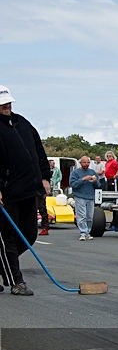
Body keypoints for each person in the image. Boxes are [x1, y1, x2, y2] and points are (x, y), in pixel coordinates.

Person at [0, 85, 49, 295]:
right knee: (7, 238)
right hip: (6, 193)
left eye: (8, 103)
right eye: (2, 104)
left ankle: (3, 265)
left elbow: (39, 151)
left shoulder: (23, 123)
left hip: (29, 190)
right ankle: (16, 282)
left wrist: (45, 177)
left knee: (28, 234)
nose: (7, 107)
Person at [70, 155, 100, 240]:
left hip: (90, 196)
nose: (86, 164)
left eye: (88, 162)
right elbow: (73, 184)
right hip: (79, 196)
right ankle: (83, 232)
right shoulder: (75, 173)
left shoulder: (92, 172)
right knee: (82, 216)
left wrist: (95, 181)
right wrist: (83, 179)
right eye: (84, 162)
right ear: (80, 163)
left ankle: (88, 232)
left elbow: (98, 186)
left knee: (89, 217)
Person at [36, 160, 55, 235]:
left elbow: (47, 179)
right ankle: (44, 227)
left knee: (42, 208)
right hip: (34, 189)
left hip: (40, 191)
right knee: (39, 209)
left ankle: (45, 227)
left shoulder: (45, 172)